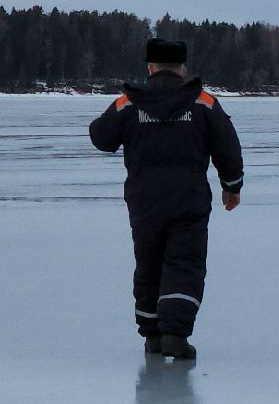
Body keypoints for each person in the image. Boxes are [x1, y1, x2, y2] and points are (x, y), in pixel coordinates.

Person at [89, 38, 244, 360]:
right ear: (183, 69)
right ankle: (174, 333)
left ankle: (153, 336)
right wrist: (232, 186)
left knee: (149, 263)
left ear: (150, 67)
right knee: (183, 263)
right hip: (189, 200)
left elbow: (101, 138)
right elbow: (228, 146)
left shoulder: (128, 103)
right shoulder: (203, 102)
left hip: (144, 201)